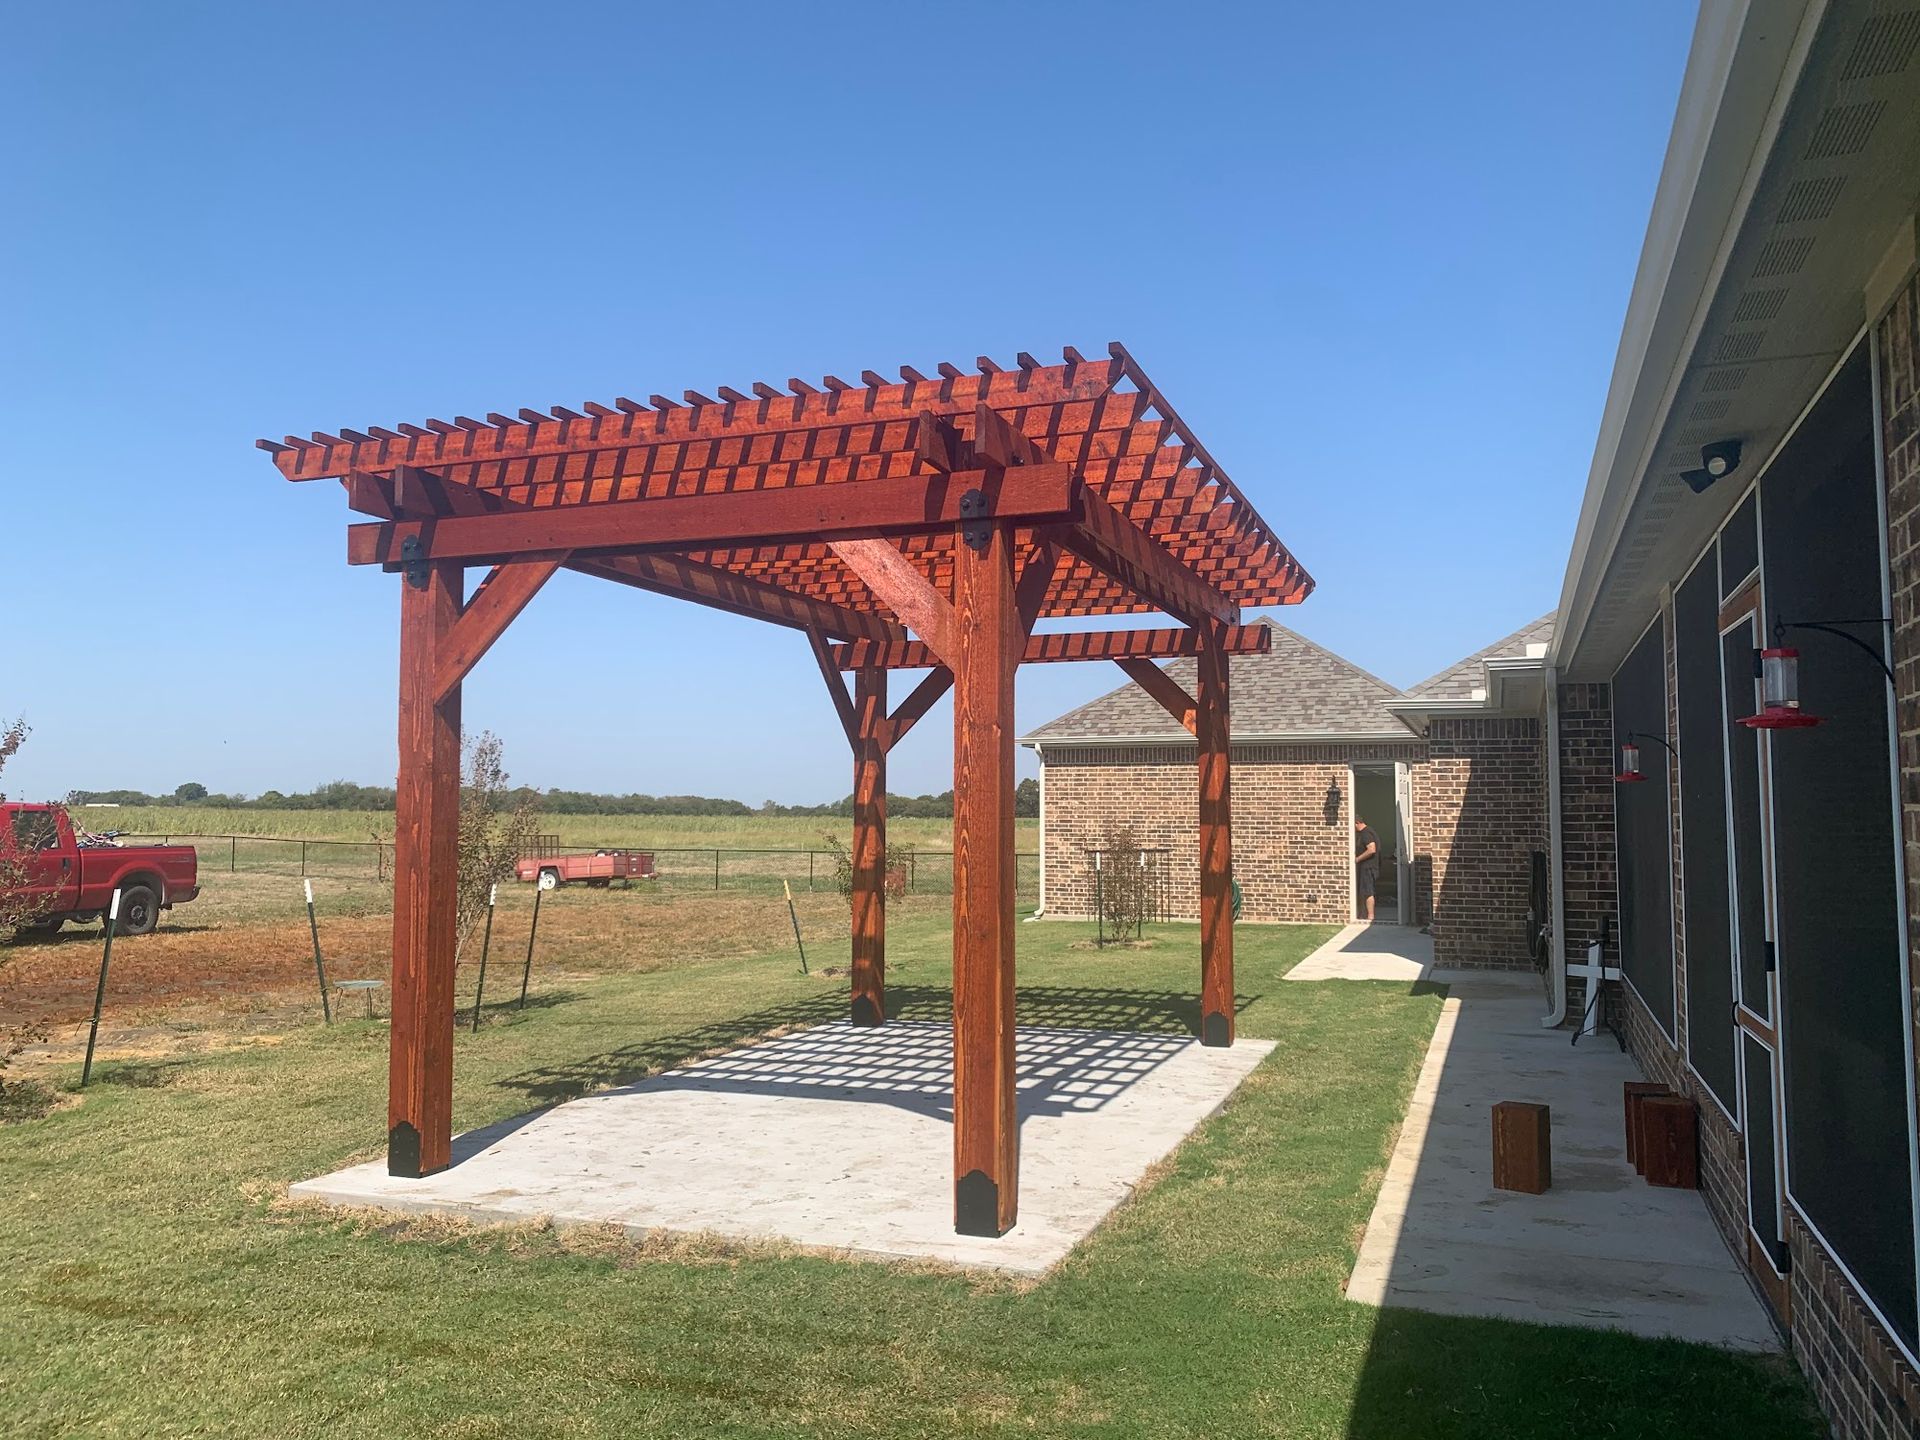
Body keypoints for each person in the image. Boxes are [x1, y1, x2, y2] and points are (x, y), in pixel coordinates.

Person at [1354, 817, 1381, 923]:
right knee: (1366, 891)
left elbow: (1371, 849)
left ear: (1357, 822)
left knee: (1367, 891)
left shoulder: (1366, 833)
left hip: (1368, 867)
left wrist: (1357, 859)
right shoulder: (1370, 831)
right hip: (1370, 867)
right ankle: (1363, 914)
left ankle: (1370, 916)